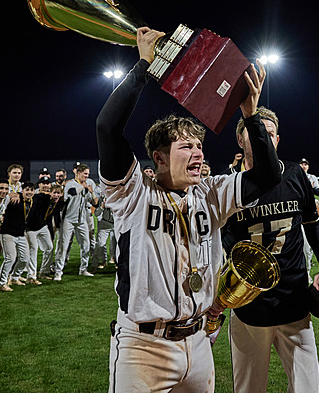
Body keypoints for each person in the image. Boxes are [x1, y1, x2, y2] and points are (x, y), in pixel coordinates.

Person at [96, 27, 281, 392]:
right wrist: (144, 67)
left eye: (199, 145)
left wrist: (250, 115)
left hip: (198, 342)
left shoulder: (210, 193)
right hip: (143, 346)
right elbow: (106, 126)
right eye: (185, 147)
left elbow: (268, 174)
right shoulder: (134, 192)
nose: (198, 153)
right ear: (159, 158)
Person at [221, 107, 319, 393]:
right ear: (240, 140)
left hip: (294, 302)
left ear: (277, 140)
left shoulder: (296, 174)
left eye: (270, 134)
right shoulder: (225, 187)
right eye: (256, 133)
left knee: (308, 388)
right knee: (249, 389)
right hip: (249, 307)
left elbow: (312, 224)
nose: (264, 139)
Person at [54, 168, 99, 280]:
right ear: (78, 173)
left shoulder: (86, 186)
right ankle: (58, 272)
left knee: (86, 245)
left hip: (81, 220)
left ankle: (83, 269)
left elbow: (95, 203)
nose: (86, 176)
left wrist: (92, 191)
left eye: (88, 174)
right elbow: (72, 192)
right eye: (85, 174)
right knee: (63, 246)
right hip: (68, 219)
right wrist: (83, 187)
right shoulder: (70, 184)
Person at [25, 179, 63, 283]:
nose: (56, 195)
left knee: (49, 248)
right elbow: (34, 196)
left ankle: (43, 272)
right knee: (33, 249)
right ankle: (31, 276)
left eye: (58, 193)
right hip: (30, 227)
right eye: (54, 193)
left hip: (42, 226)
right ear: (50, 193)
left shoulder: (59, 203)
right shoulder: (43, 197)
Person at [300, 157, 319, 282]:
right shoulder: (295, 176)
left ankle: (307, 272)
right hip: (296, 214)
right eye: (302, 164)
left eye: (306, 164)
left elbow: (318, 192)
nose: (304, 166)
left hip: (308, 215)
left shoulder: (312, 178)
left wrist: (315, 200)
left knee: (307, 246)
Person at [9, 182, 36, 286]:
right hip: (9, 231)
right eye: (27, 190)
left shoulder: (33, 200)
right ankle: (3, 280)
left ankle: (14, 277)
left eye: (31, 190)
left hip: (21, 232)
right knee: (9, 257)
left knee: (24, 258)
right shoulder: (16, 199)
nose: (29, 192)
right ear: (22, 190)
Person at [90, 194, 114, 272]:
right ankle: (95, 265)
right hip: (105, 223)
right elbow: (96, 213)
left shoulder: (120, 195)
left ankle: (120, 264)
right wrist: (102, 207)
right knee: (99, 244)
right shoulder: (103, 197)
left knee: (119, 245)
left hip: (117, 223)